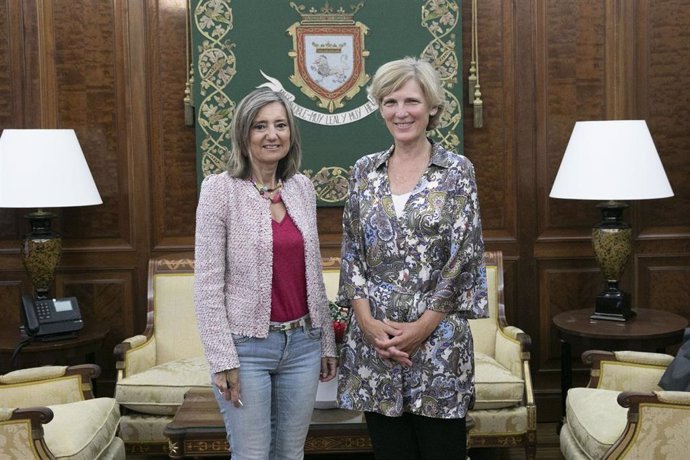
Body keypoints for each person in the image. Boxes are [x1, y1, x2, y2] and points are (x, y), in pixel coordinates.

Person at [336, 57, 488, 460]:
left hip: (438, 345)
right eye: (389, 101)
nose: (400, 112)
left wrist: (422, 328)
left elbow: (464, 258)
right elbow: (351, 252)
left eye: (411, 101)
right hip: (376, 345)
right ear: (379, 107)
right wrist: (367, 324)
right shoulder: (364, 171)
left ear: (432, 108)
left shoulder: (457, 171)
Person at [194, 87, 338, 460]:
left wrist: (325, 343)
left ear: (291, 133)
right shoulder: (219, 191)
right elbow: (207, 286)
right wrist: (222, 359)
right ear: (244, 135)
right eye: (260, 126)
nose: (272, 135)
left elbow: (313, 275)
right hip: (247, 349)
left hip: (303, 346)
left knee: (291, 455)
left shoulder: (301, 188)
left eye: (280, 125)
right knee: (253, 455)